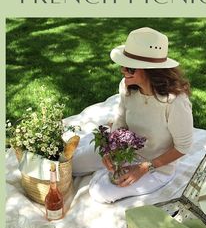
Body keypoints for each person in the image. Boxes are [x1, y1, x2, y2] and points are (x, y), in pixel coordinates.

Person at [72, 27, 193, 203]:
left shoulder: (175, 101)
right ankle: (104, 169)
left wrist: (144, 168)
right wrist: (110, 151)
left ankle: (103, 173)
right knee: (71, 164)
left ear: (150, 70)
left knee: (100, 193)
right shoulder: (127, 86)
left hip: (156, 167)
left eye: (129, 68)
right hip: (124, 152)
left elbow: (183, 147)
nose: (122, 70)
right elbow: (120, 120)